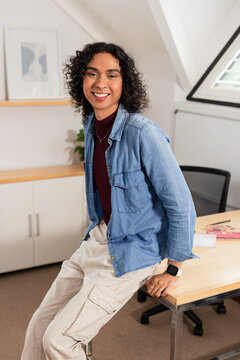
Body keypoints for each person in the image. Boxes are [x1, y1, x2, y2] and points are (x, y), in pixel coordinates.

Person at [21, 42, 196, 360]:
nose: (100, 83)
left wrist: (174, 268)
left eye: (111, 75)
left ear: (124, 83)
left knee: (59, 341)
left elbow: (181, 204)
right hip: (100, 237)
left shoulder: (143, 133)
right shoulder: (91, 127)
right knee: (38, 327)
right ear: (81, 80)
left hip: (137, 249)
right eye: (92, 74)